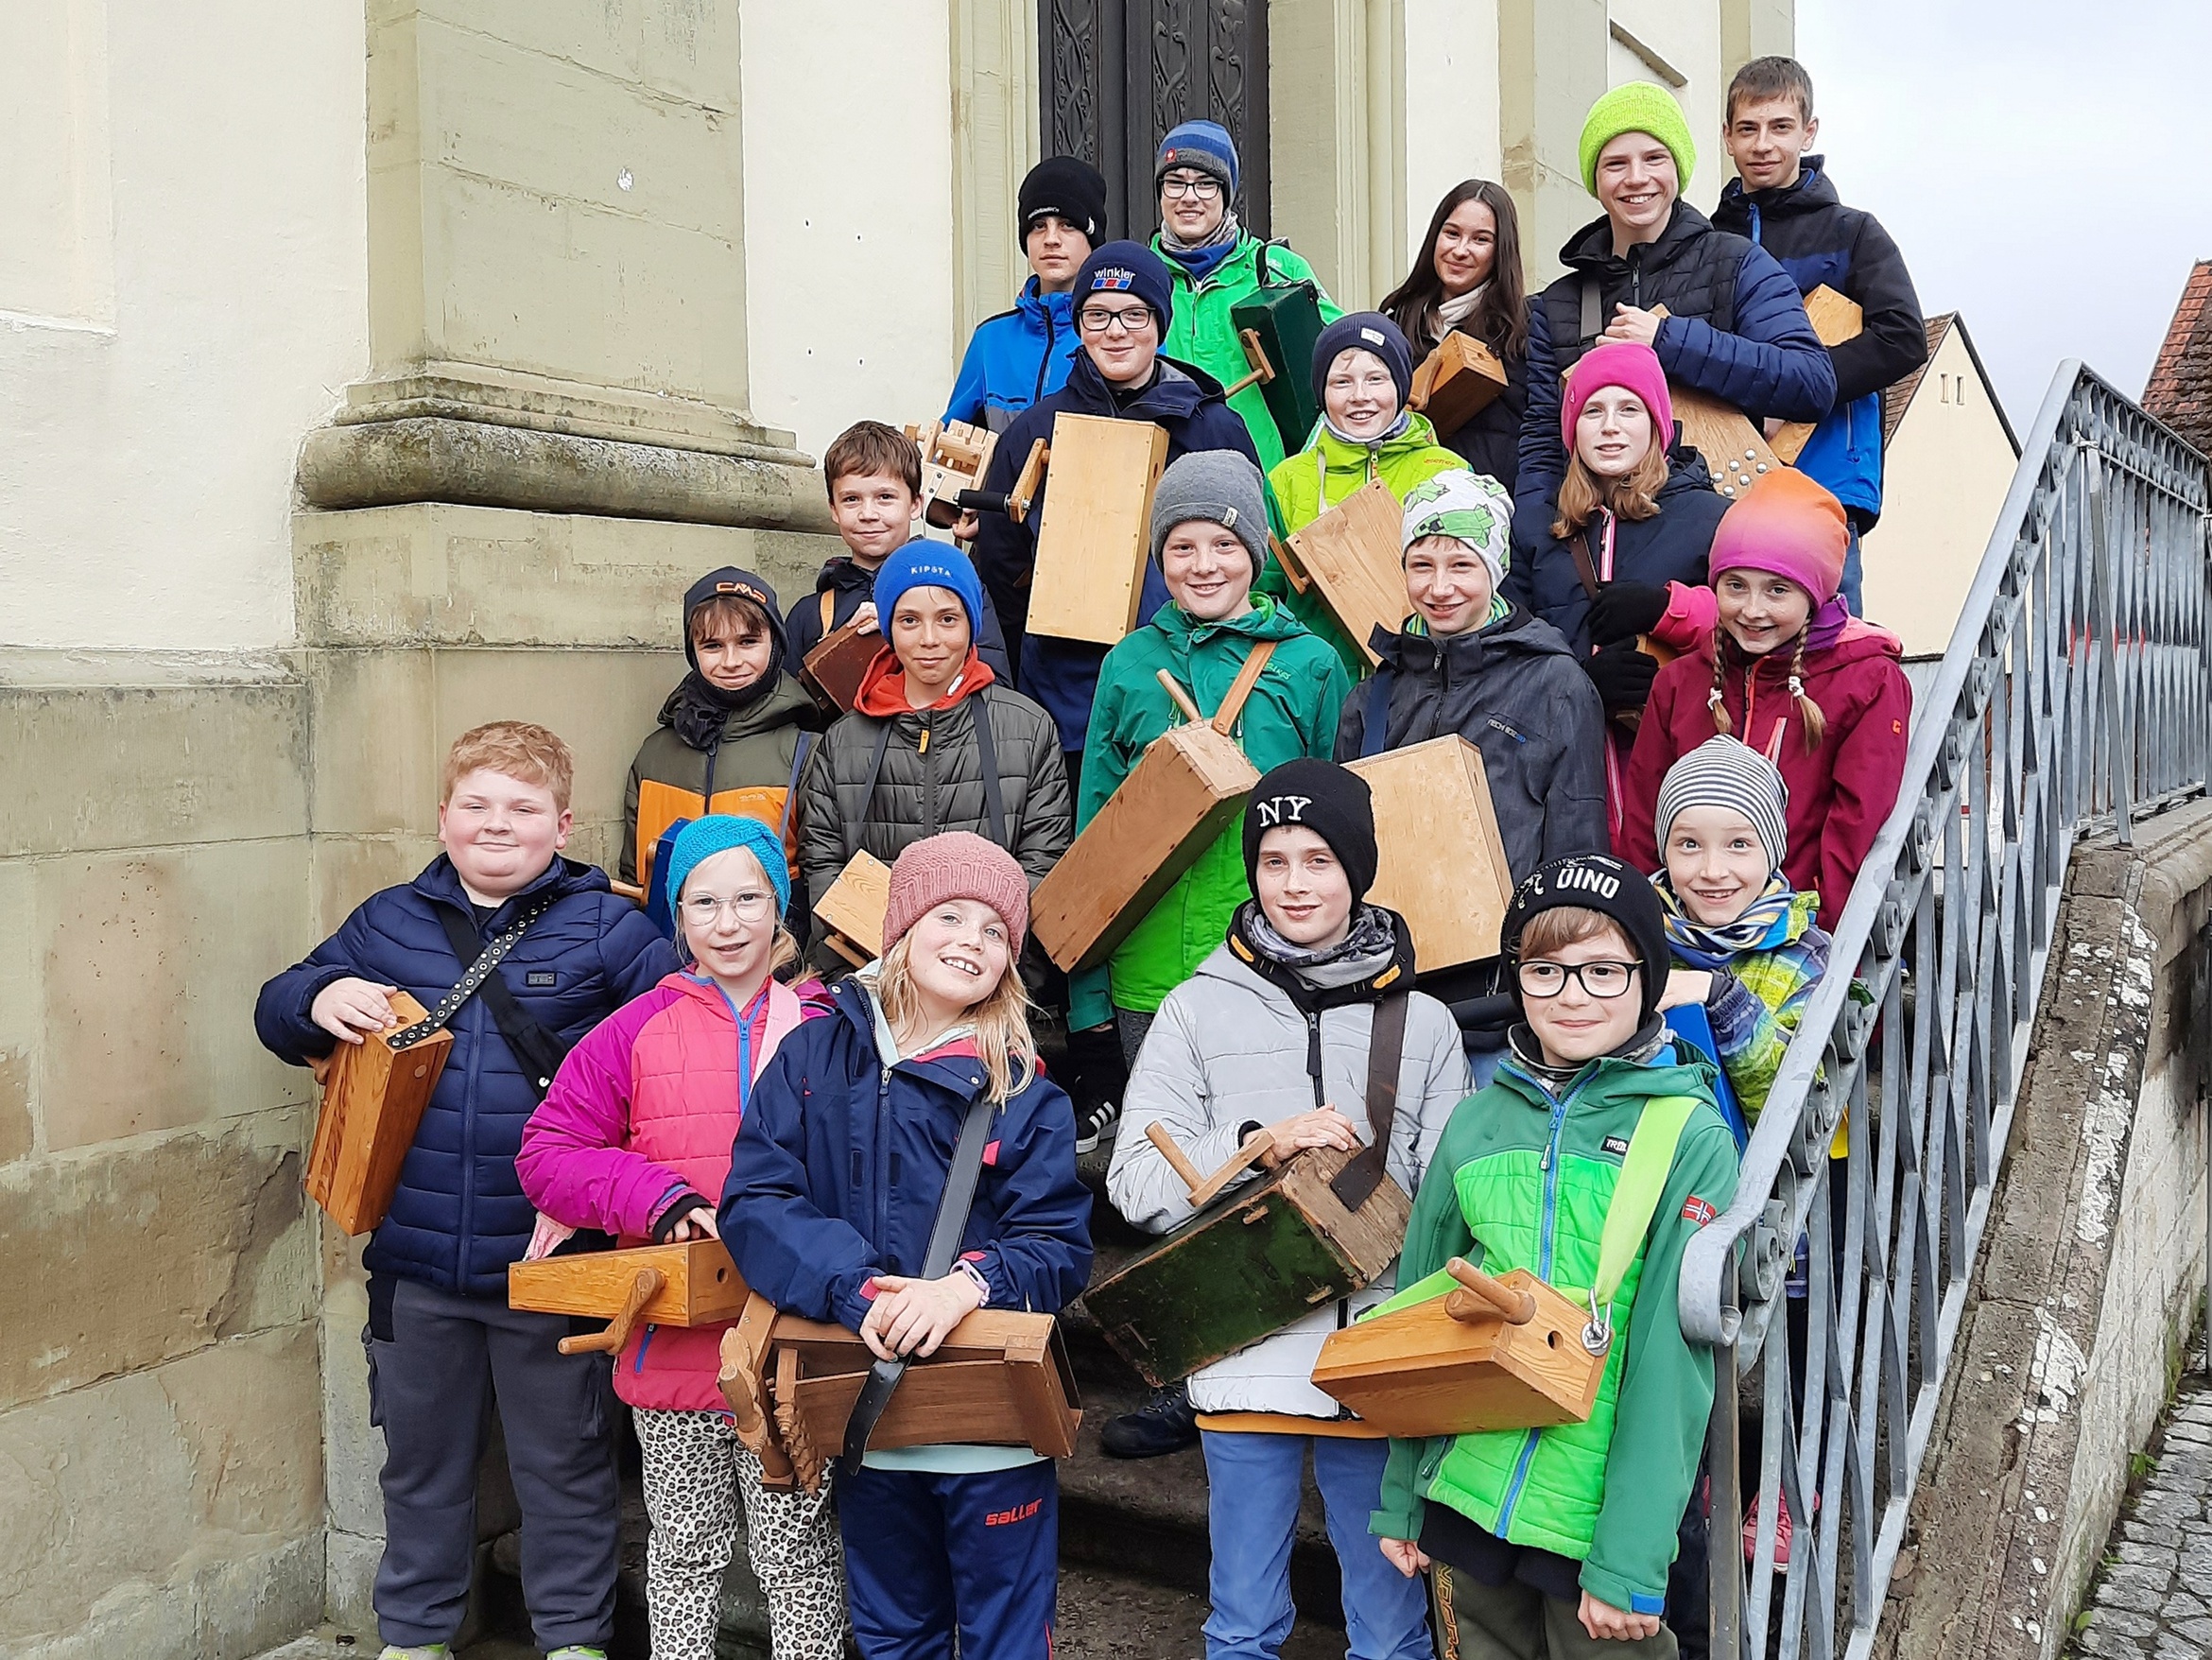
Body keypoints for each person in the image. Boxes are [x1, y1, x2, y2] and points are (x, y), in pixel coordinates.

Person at [252, 721, 678, 1660]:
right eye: (476, 804)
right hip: (416, 1264)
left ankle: (573, 1639)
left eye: (522, 808)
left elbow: (676, 1068)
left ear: (561, 824)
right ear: (443, 816)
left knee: (564, 1468)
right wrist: (317, 1001)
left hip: (553, 1265)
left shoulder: (613, 930)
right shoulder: (388, 919)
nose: (497, 824)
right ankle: (413, 1637)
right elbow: (280, 1001)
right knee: (421, 1468)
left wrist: (598, 1194)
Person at [1107, 759, 1468, 1655]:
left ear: (1358, 866)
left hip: (1372, 1365)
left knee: (1390, 1634)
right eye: (1274, 860)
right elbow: (1134, 1186)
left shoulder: (1425, 1024)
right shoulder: (1193, 1010)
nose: (1296, 883)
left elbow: (1455, 1208)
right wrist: (1255, 1156)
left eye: (1319, 859)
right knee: (1242, 1626)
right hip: (1242, 1354)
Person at [718, 833, 1093, 1660]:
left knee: (1005, 1641)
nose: (971, 940)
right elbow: (757, 1202)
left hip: (989, 1423)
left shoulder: (1023, 1088)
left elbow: (1058, 1245)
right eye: (949, 916)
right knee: (894, 1638)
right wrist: (854, 1291)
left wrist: (966, 1287)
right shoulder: (813, 1055)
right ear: (902, 929)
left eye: (995, 931)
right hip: (867, 1411)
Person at [1373, 854, 1739, 1659]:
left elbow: (1670, 1366)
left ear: (1649, 977)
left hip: (1593, 1530)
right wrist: (1403, 1499)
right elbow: (1418, 1322)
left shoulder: (1688, 1135)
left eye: (1604, 969)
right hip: (1468, 1500)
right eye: (1546, 970)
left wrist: (1631, 1556)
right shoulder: (1475, 1124)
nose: (1573, 994)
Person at [515, 817, 843, 1660]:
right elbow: (547, 1154)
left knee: (797, 1554)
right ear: (677, 916)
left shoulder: (828, 1026)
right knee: (685, 1551)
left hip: (793, 1342)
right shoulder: (633, 1029)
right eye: (704, 902)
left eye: (748, 898)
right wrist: (652, 1193)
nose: (728, 923)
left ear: (781, 905)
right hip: (669, 1347)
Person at [1080, 451, 1350, 1065]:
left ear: (1254, 553)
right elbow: (1096, 828)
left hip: (1277, 961)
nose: (1204, 566)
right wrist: (1089, 997)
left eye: (1225, 545)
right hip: (1148, 968)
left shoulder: (1310, 664)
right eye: (1182, 548)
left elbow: (1341, 830)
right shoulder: (1128, 663)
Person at [1337, 470, 1607, 1081]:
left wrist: (1558, 987)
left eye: (1461, 565)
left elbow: (1577, 846)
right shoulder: (1372, 699)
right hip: (1392, 1005)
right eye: (1421, 565)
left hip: (1507, 1010)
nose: (1439, 588)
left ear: (1495, 565)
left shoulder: (1554, 685)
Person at [1513, 80, 1834, 559]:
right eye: (1615, 164)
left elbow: (1811, 382)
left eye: (1654, 159)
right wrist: (1538, 557)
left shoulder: (1737, 263)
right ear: (1595, 179)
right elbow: (1541, 447)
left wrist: (1669, 341)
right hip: (1595, 558)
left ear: (1679, 168)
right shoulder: (1557, 305)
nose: (1636, 178)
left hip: (1719, 547)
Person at [972, 239, 1261, 768]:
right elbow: (1001, 564)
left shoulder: (1212, 427)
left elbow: (1249, 555)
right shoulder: (1036, 431)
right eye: (1098, 314)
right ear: (1079, 326)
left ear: (1160, 323)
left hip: (1191, 686)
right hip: (1066, 699)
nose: (1116, 330)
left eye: (1134, 314)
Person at [1617, 469, 1910, 931]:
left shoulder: (1866, 681)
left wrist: (1821, 935)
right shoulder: (1680, 683)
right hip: (1687, 930)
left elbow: (1856, 826)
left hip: (1796, 933)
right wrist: (1642, 928)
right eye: (1735, 586)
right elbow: (1643, 817)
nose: (1752, 610)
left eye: (1777, 590)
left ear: (1816, 595)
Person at [1711, 57, 1927, 617]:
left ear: (1808, 132)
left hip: (1827, 473)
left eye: (1781, 127)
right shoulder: (1708, 242)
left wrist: (1799, 386)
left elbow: (1902, 337)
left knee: (1830, 648)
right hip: (1724, 468)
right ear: (1727, 138)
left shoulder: (1853, 231)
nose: (1763, 144)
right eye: (1748, 129)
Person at [796, 539, 1072, 964]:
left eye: (947, 619)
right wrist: (875, 964)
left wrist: (992, 963)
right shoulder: (843, 740)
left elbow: (1042, 859)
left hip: (987, 974)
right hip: (875, 974)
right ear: (888, 626)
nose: (929, 639)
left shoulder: (1028, 729)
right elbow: (824, 860)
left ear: (971, 624)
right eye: (909, 620)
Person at [1503, 340, 1728, 824]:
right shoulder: (1535, 527)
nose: (1609, 427)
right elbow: (1509, 644)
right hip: (1567, 771)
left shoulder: (1711, 518)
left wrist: (1664, 610)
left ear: (1656, 425)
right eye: (1592, 411)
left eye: (1629, 409)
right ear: (1572, 429)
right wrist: (1580, 682)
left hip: (1680, 762)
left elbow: (1755, 625)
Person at [1265, 311, 1467, 674]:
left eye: (1376, 379)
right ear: (1321, 392)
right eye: (1341, 382)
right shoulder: (1287, 479)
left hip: (1427, 679)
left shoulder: (1446, 471)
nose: (1360, 397)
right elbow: (1265, 590)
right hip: (1317, 681)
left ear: (1400, 386)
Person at [1149, 119, 1342, 470]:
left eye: (1206, 184)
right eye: (1174, 183)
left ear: (1227, 192)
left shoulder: (1274, 268)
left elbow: (1340, 353)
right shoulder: (1141, 276)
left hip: (1263, 473)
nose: (1189, 197)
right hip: (1164, 471)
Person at [620, 567, 816, 892]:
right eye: (712, 645)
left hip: (770, 938)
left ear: (776, 643)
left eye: (748, 642)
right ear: (692, 652)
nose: (731, 661)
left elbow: (819, 875)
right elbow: (633, 876)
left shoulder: (805, 751)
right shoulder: (655, 753)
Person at [786, 420, 1012, 677]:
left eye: (885, 497)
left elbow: (995, 688)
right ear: (834, 510)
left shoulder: (959, 590)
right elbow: (792, 708)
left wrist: (899, 626)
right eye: (851, 499)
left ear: (915, 504)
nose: (868, 514)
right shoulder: (809, 614)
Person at [1378, 179, 1532, 493]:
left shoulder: (1521, 332)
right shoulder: (1394, 326)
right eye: (1452, 234)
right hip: (1404, 512)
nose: (1460, 250)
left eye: (1480, 239)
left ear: (1499, 251)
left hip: (1489, 513)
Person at [943, 156, 1109, 433]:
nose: (1051, 239)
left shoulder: (1126, 331)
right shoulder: (992, 339)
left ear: (1092, 235)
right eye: (1038, 226)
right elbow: (953, 446)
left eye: (1068, 224)